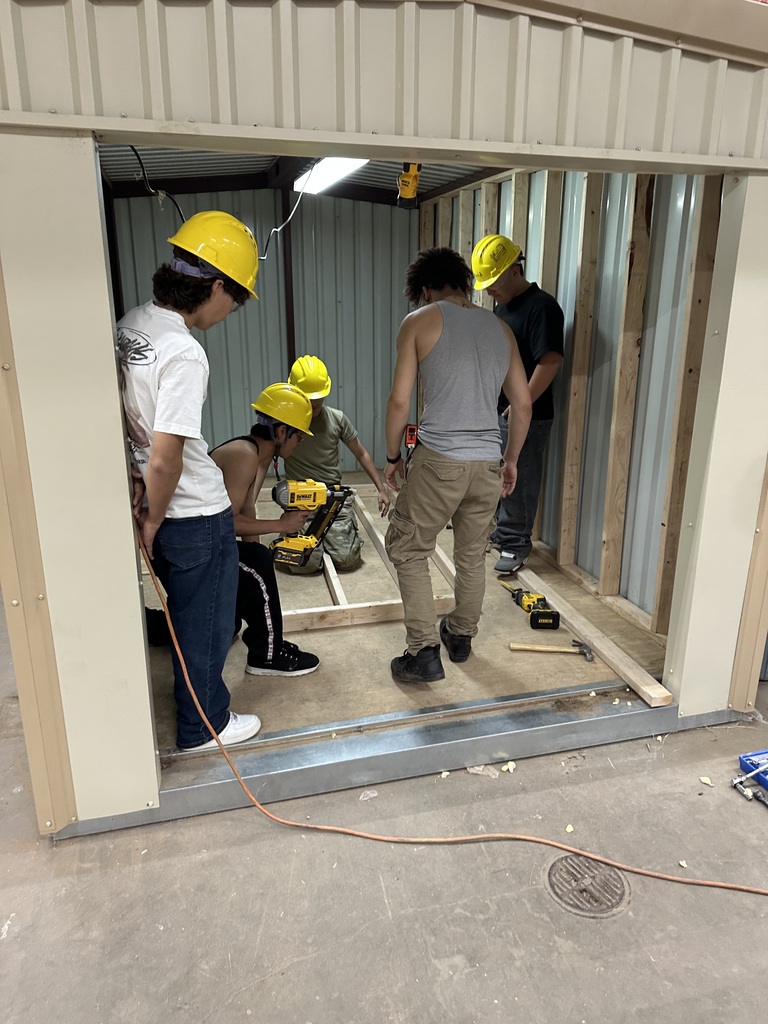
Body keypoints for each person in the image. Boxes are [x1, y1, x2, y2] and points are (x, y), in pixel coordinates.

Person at [118, 210, 262, 751]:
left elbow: (136, 437)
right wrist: (154, 516)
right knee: (206, 624)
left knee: (184, 617)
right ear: (217, 285)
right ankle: (205, 726)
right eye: (237, 298)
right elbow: (166, 456)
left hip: (154, 502)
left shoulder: (132, 325)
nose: (232, 310)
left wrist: (140, 496)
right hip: (194, 514)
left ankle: (199, 713)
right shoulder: (184, 351)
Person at [383, 247, 532, 684]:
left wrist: (393, 457)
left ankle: (424, 651)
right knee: (471, 555)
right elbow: (521, 404)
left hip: (439, 460)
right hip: (487, 461)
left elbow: (398, 401)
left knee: (408, 548)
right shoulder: (500, 328)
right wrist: (510, 461)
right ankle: (461, 637)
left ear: (425, 288)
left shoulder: (420, 321)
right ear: (465, 283)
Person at [208, 383, 320, 676]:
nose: (299, 444)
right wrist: (281, 526)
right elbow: (225, 524)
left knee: (255, 558)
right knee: (258, 562)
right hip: (192, 544)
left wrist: (256, 553)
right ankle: (267, 655)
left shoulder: (257, 457)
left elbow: (246, 512)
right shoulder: (244, 455)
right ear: (282, 432)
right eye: (299, 437)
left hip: (203, 540)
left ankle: (234, 623)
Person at [472, 234, 565, 574]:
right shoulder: (503, 307)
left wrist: (521, 400)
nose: (487, 290)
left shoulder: (541, 307)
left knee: (520, 477)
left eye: (492, 281)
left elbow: (551, 360)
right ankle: (502, 531)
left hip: (528, 413)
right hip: (502, 409)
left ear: (514, 270)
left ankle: (515, 543)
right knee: (502, 476)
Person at [283, 354, 390, 574]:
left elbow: (360, 453)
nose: (314, 403)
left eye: (318, 397)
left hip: (331, 496)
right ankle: (294, 533)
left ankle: (343, 529)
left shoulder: (336, 419)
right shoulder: (284, 422)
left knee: (347, 561)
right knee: (306, 564)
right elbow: (262, 458)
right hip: (300, 499)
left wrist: (381, 489)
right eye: (308, 397)